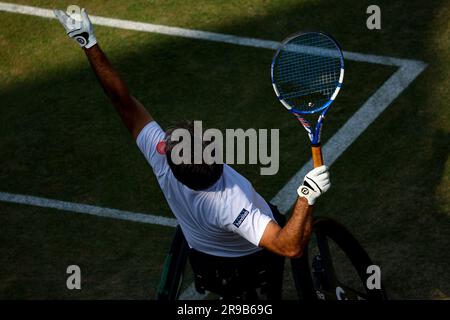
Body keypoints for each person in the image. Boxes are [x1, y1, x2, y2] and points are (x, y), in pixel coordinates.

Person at [54, 7, 331, 299]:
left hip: (207, 263)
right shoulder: (232, 203)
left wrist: (89, 43)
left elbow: (121, 101)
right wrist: (306, 196)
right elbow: (289, 247)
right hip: (251, 264)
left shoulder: (163, 161)